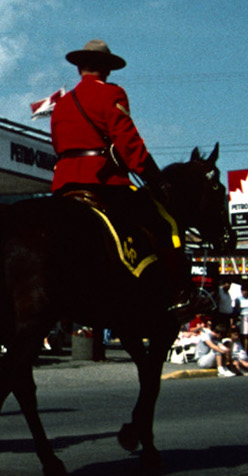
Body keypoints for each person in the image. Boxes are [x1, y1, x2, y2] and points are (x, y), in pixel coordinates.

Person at [48, 39, 189, 308]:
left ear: (80, 69)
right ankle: (179, 294)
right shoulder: (112, 94)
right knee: (165, 223)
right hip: (102, 182)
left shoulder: (62, 104)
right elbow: (128, 142)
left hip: (64, 184)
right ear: (107, 69)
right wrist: (154, 178)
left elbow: (58, 146)